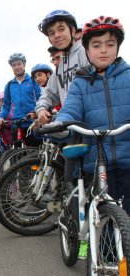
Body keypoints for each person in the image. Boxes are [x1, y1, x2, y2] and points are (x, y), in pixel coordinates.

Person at [52, 16, 128, 259]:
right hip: (97, 161)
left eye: (109, 43)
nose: (103, 50)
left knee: (125, 216)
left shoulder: (128, 76)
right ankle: (96, 255)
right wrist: (60, 124)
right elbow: (71, 109)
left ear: (118, 46)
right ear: (87, 49)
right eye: (96, 45)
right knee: (98, 214)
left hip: (128, 158)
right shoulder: (81, 83)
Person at [35, 10, 90, 125]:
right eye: (51, 33)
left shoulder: (85, 52)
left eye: (61, 29)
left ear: (73, 31)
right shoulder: (61, 67)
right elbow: (49, 93)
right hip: (71, 123)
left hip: (91, 123)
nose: (57, 35)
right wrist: (41, 109)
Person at [0, 53, 42, 147]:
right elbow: (6, 105)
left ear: (24, 64)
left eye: (19, 64)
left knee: (35, 152)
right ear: (11, 67)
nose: (17, 67)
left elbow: (41, 99)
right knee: (17, 155)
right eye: (14, 65)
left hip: (32, 122)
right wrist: (1, 117)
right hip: (16, 124)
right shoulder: (9, 85)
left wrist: (36, 112)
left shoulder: (33, 81)